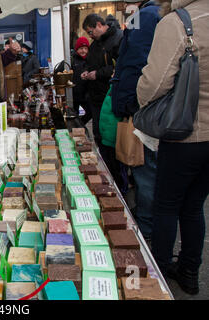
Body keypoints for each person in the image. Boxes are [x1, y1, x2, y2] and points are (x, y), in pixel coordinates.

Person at [137, 0, 209, 295]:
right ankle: (190, 271)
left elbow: (155, 83)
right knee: (194, 206)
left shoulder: (178, 21)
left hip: (184, 134)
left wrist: (142, 105)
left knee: (166, 206)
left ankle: (161, 274)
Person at [111, 0, 161, 242]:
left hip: (142, 110)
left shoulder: (144, 16)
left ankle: (145, 234)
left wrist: (128, 102)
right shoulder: (148, 14)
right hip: (147, 108)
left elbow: (135, 64)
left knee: (145, 172)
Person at [81, 13, 126, 193]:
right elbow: (91, 64)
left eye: (91, 31)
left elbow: (118, 68)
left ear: (100, 25)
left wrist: (97, 74)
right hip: (96, 98)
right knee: (99, 137)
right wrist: (86, 72)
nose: (90, 35)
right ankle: (106, 177)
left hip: (111, 99)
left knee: (112, 142)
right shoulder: (95, 45)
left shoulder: (118, 40)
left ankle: (119, 184)